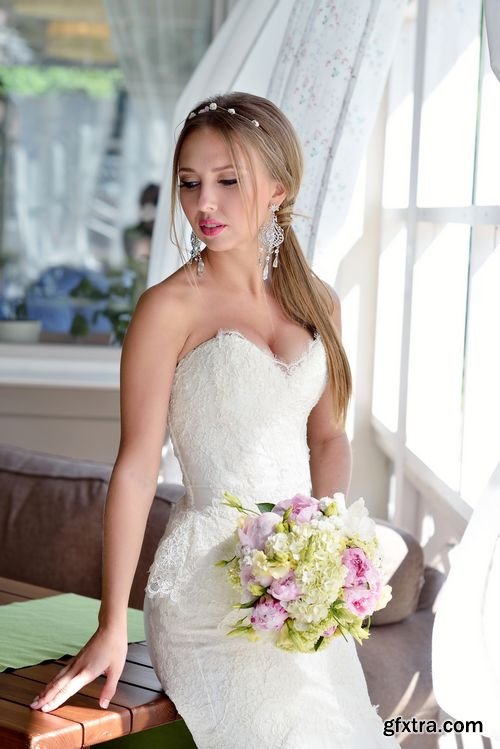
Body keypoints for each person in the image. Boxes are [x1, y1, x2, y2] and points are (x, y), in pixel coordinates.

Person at [29, 91, 398, 748]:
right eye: (190, 182)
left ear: (279, 189)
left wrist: (324, 550)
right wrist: (114, 619)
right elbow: (138, 466)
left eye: (229, 181)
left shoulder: (321, 304)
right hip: (203, 579)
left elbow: (327, 436)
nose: (205, 202)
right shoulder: (167, 308)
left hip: (298, 581)